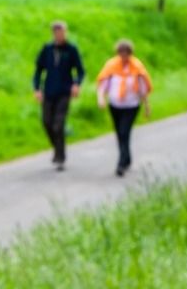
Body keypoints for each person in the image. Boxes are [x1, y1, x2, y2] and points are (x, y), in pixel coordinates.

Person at [95, 39, 152, 177]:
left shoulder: (136, 67)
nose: (124, 56)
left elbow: (142, 89)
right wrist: (101, 98)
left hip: (131, 105)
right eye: (121, 52)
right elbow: (103, 84)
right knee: (119, 133)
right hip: (115, 105)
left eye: (126, 53)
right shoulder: (112, 66)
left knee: (124, 131)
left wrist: (146, 106)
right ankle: (126, 158)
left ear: (130, 53)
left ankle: (121, 164)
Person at [32, 20, 84, 171]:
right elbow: (38, 70)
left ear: (65, 33)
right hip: (49, 91)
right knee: (47, 122)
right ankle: (57, 149)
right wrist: (37, 88)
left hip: (64, 92)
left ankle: (60, 157)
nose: (59, 35)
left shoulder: (71, 50)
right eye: (56, 32)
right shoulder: (47, 49)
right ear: (53, 34)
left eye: (61, 32)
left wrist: (76, 84)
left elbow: (80, 71)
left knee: (58, 124)